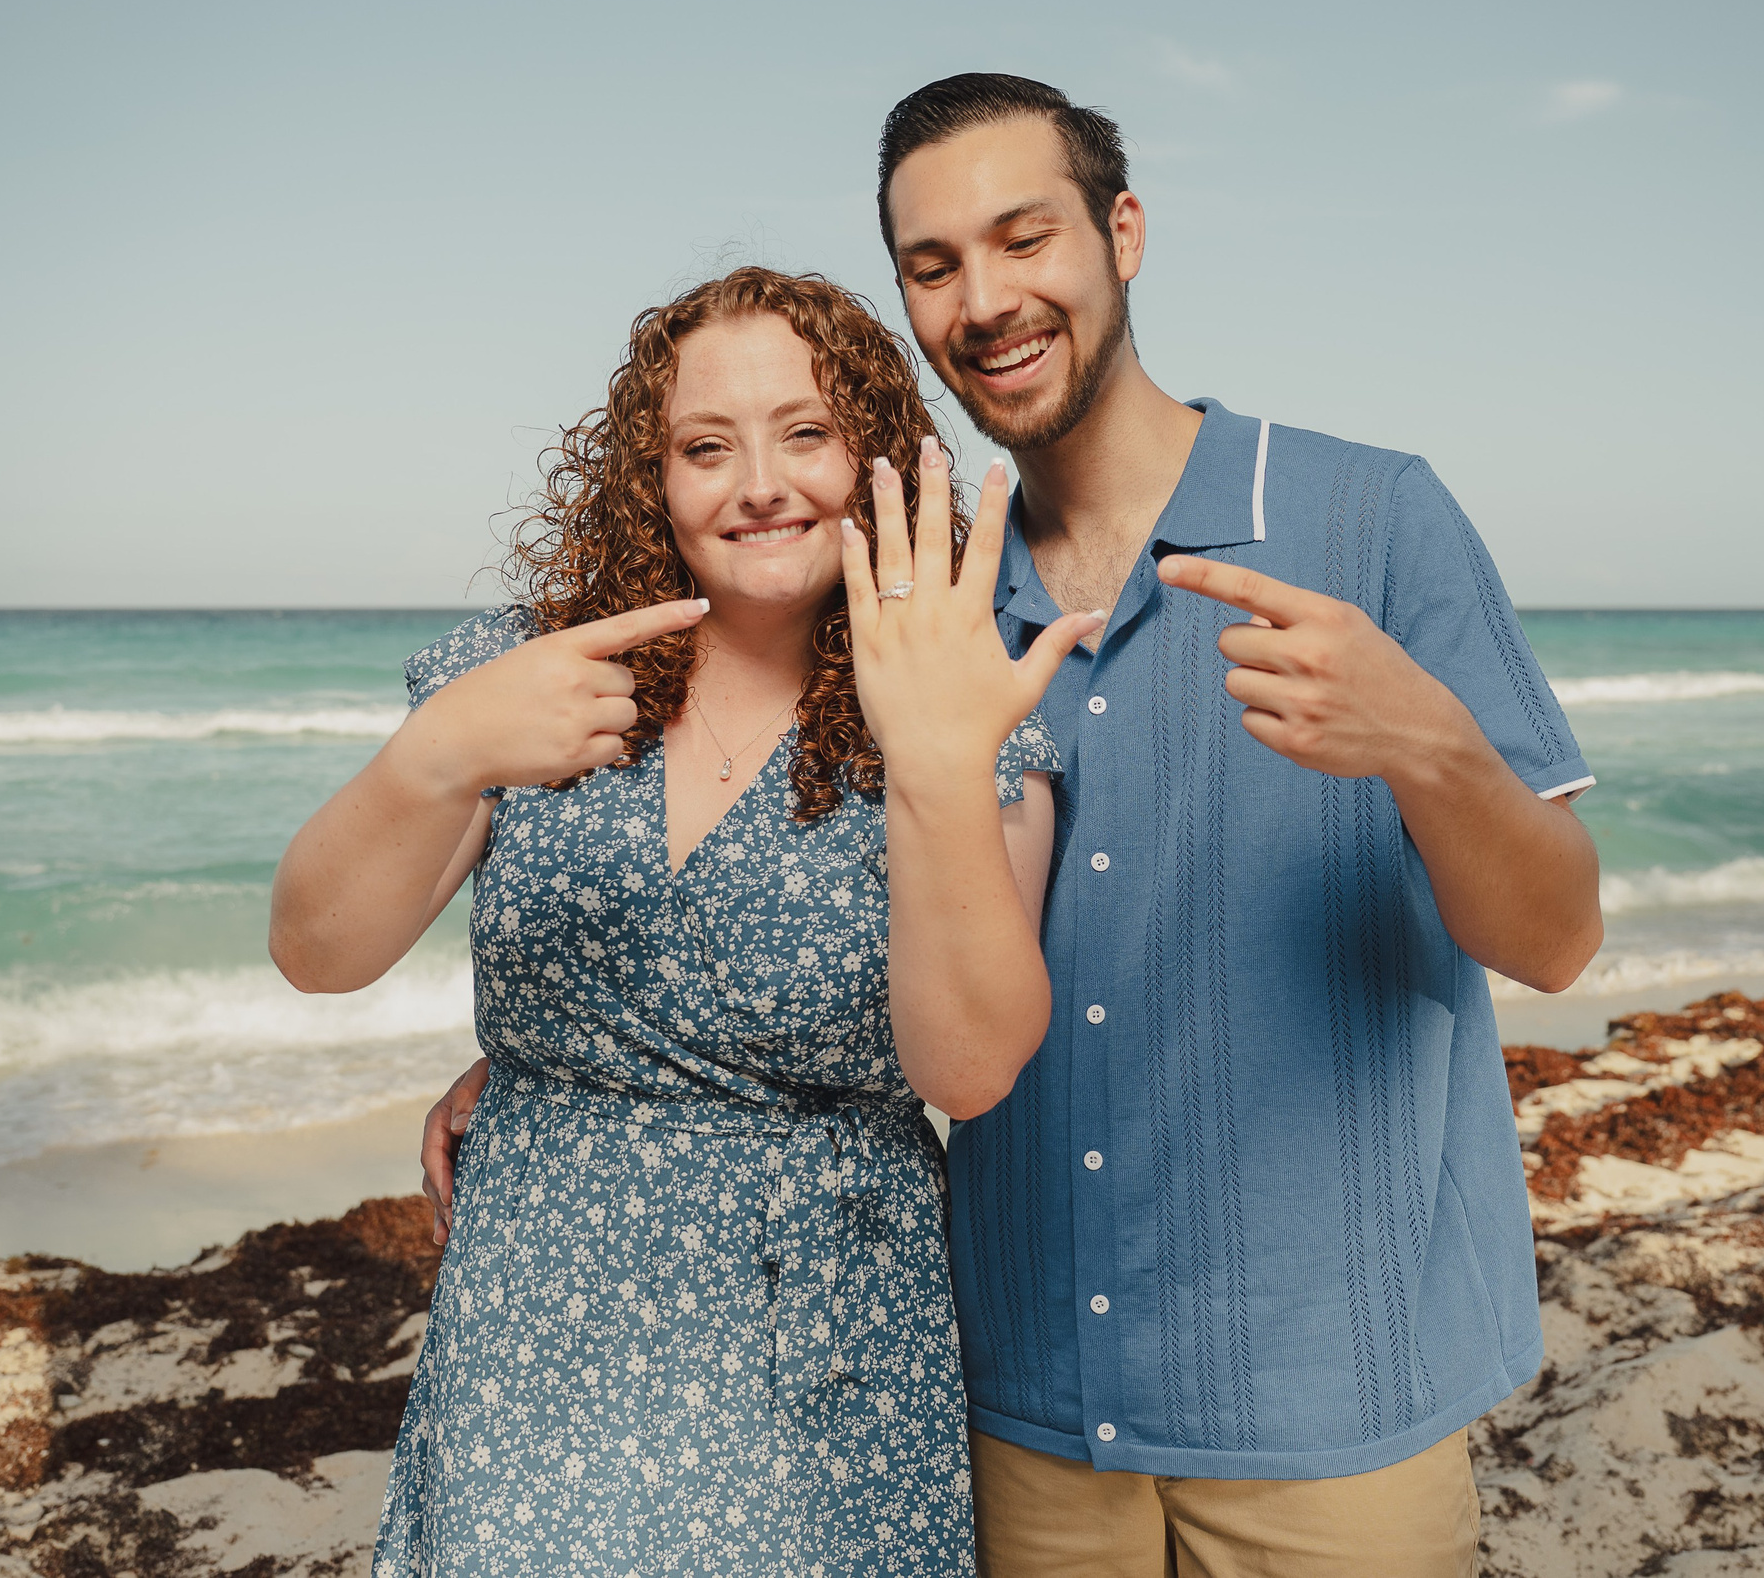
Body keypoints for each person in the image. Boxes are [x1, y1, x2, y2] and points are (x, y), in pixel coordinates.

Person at [423, 79, 1606, 1575]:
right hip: (1019, 1403)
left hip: (1330, 1400)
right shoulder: (912, 594)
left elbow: (1556, 939)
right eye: (932, 266)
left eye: (1023, 237)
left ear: (1123, 234)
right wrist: (582, 1050)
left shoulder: (1370, 520)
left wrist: (1429, 748)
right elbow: (830, 902)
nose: (983, 300)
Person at [272, 266, 1102, 1577]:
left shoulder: (962, 700)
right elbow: (317, 953)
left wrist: (937, 764)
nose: (758, 485)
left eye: (806, 434)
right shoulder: (539, 671)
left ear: (878, 459)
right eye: (706, 447)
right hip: (534, 1335)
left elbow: (971, 1068)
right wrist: (437, 754)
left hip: (821, 1353)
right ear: (650, 479)